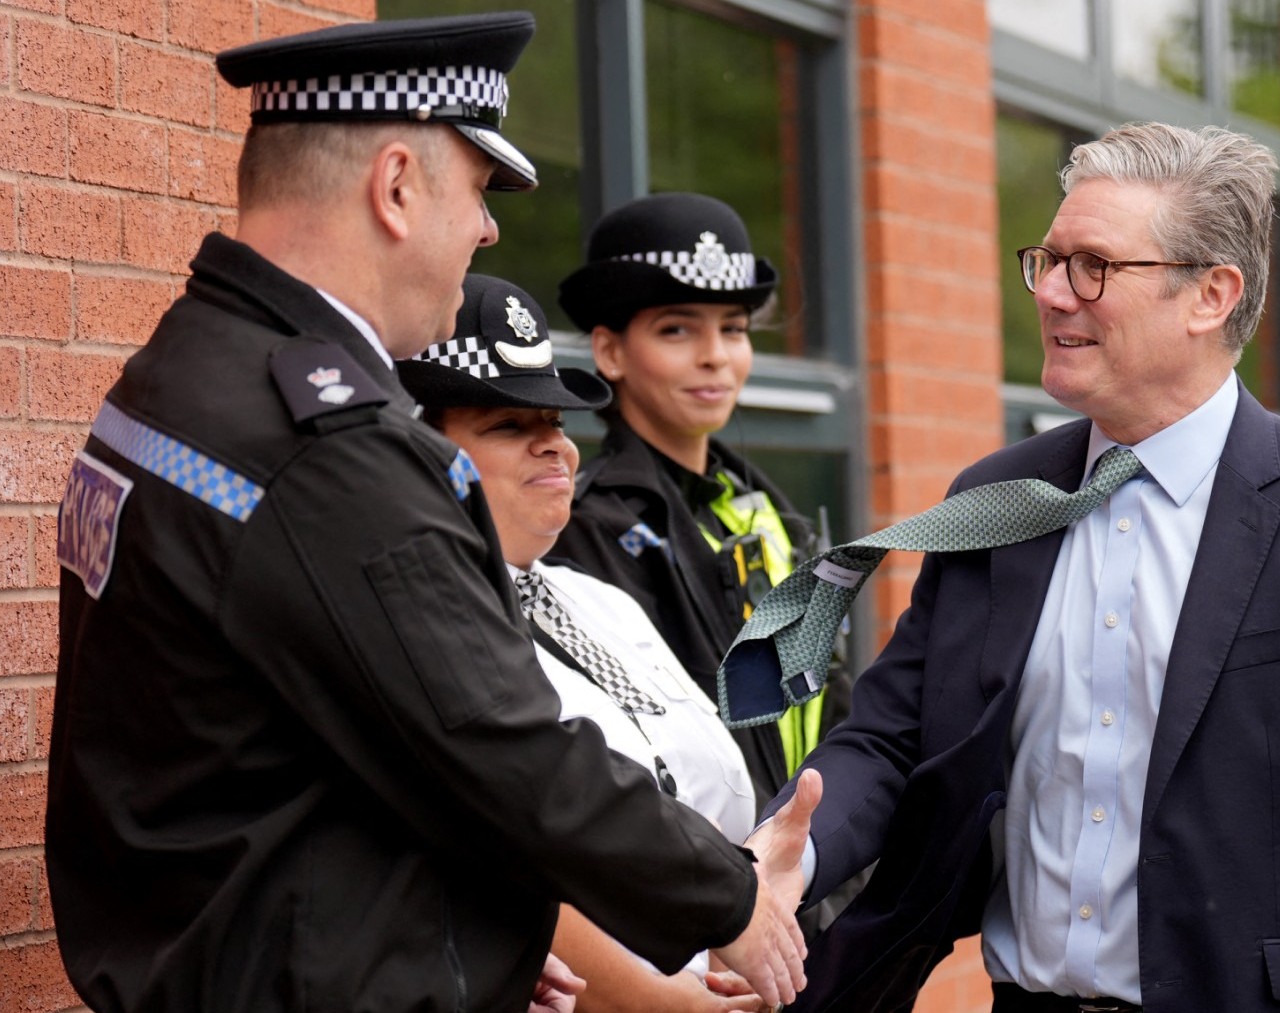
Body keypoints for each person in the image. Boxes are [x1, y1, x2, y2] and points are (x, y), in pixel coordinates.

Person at [45, 14, 808, 1013]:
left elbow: (300, 727)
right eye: (480, 190)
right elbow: (504, 744)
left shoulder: (187, 369)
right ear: (397, 185)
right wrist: (734, 898)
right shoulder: (325, 448)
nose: (488, 231)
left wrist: (472, 915)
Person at [742, 121, 1280, 1012]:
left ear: (1210, 294)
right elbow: (892, 737)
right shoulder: (997, 498)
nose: (1054, 293)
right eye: (1047, 260)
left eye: (1092, 265)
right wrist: (791, 848)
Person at [401, 273, 767, 1013]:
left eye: (558, 422)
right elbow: (503, 858)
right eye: (508, 426)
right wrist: (660, 999)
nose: (555, 449)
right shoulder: (415, 620)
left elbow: (710, 793)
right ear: (419, 451)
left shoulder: (600, 599)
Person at [548, 192, 850, 806]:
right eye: (677, 329)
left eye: (733, 329)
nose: (716, 355)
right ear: (610, 352)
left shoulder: (766, 508)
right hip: (717, 877)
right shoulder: (587, 527)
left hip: (819, 870)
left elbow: (830, 705)